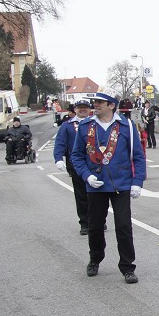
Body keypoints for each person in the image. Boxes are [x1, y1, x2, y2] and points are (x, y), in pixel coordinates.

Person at [70, 91, 146, 284]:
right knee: (95, 226)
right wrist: (87, 176)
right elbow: (77, 156)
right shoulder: (86, 126)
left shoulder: (125, 126)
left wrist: (137, 183)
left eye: (100, 102)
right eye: (95, 102)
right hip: (96, 185)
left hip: (121, 183)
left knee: (123, 226)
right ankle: (95, 258)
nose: (95, 105)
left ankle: (128, 267)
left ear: (111, 105)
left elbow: (137, 155)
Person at [54, 99, 93, 234]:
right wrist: (58, 159)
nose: (83, 110)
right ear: (75, 110)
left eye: (85, 108)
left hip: (95, 164)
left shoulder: (95, 123)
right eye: (80, 108)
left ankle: (99, 221)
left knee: (97, 195)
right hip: (76, 164)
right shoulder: (67, 126)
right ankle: (85, 223)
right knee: (81, 194)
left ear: (89, 110)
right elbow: (60, 143)